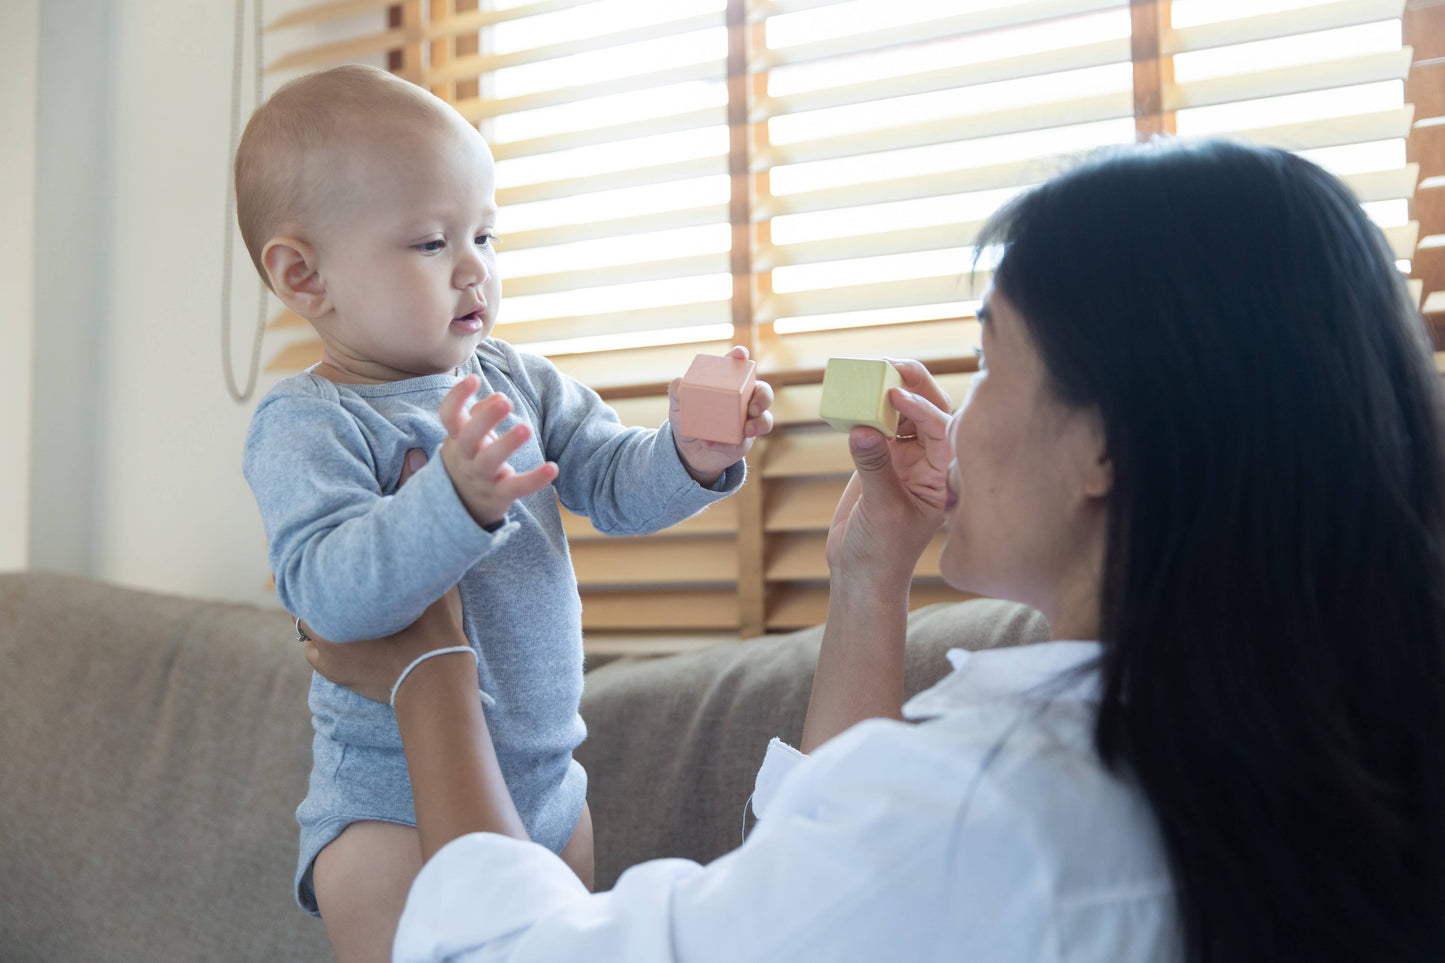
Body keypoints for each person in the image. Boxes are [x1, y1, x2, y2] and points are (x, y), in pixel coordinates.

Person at [305, 138, 1445, 962]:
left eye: (990, 359)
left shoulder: (995, 813)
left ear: (1101, 444)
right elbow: (827, 882)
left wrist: (430, 672)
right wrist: (868, 581)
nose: (964, 404)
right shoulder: (1252, 749)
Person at [236, 64, 774, 962]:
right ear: (305, 275)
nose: (473, 268)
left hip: (551, 792)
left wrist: (687, 452)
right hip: (387, 810)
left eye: (483, 234)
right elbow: (328, 594)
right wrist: (449, 502)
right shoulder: (308, 421)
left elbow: (606, 475)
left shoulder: (514, 378)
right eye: (429, 244)